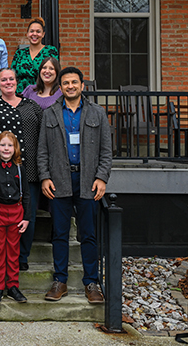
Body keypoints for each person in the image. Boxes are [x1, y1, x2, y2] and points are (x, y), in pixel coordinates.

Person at [37, 66, 112, 304]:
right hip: (58, 181)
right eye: (66, 83)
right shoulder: (50, 113)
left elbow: (106, 151)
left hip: (88, 181)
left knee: (88, 234)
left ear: (82, 85)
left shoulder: (97, 113)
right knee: (59, 234)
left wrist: (102, 177)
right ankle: (60, 281)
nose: (70, 86)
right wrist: (44, 177)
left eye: (74, 82)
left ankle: (91, 282)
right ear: (60, 88)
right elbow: (42, 151)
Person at [0, 68, 43, 271]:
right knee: (0, 217)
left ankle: (22, 257)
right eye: (3, 80)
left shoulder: (32, 106)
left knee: (26, 215)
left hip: (28, 170)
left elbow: (43, 138)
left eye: (11, 79)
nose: (8, 82)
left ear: (17, 81)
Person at [0, 131, 30, 304]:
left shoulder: (20, 168)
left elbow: (26, 195)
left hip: (17, 213)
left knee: (13, 251)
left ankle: (12, 286)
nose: (6, 148)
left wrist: (26, 217)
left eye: (10, 145)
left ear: (15, 148)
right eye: (2, 145)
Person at [11, 17, 60, 94]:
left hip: (43, 94)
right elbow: (12, 75)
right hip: (20, 94)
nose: (34, 34)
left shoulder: (50, 51)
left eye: (38, 31)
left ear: (43, 34)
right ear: (27, 34)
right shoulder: (19, 53)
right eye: (32, 31)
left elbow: (55, 73)